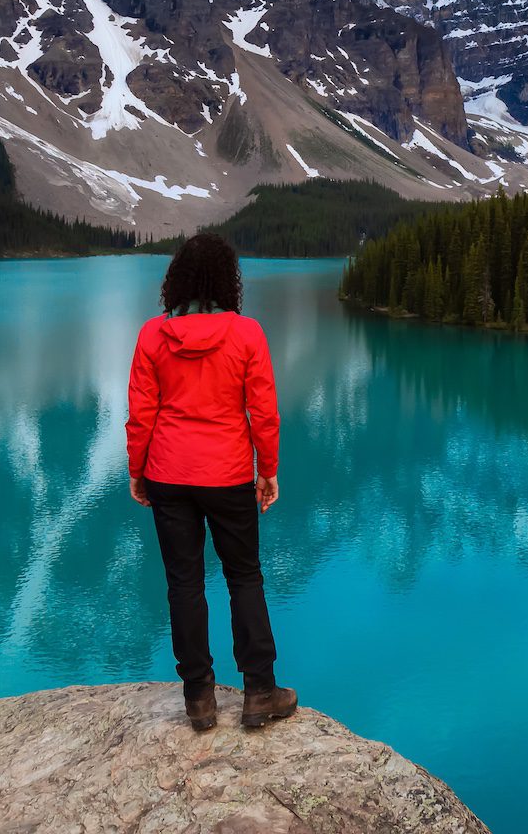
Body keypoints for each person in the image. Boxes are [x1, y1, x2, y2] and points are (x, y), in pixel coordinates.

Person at [125, 233, 297, 731]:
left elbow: (141, 415)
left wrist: (138, 472)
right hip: (228, 474)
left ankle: (199, 698)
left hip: (168, 474)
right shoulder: (247, 334)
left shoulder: (152, 336)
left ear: (176, 280)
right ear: (228, 281)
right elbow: (264, 411)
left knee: (184, 583)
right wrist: (268, 470)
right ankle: (260, 691)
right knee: (244, 576)